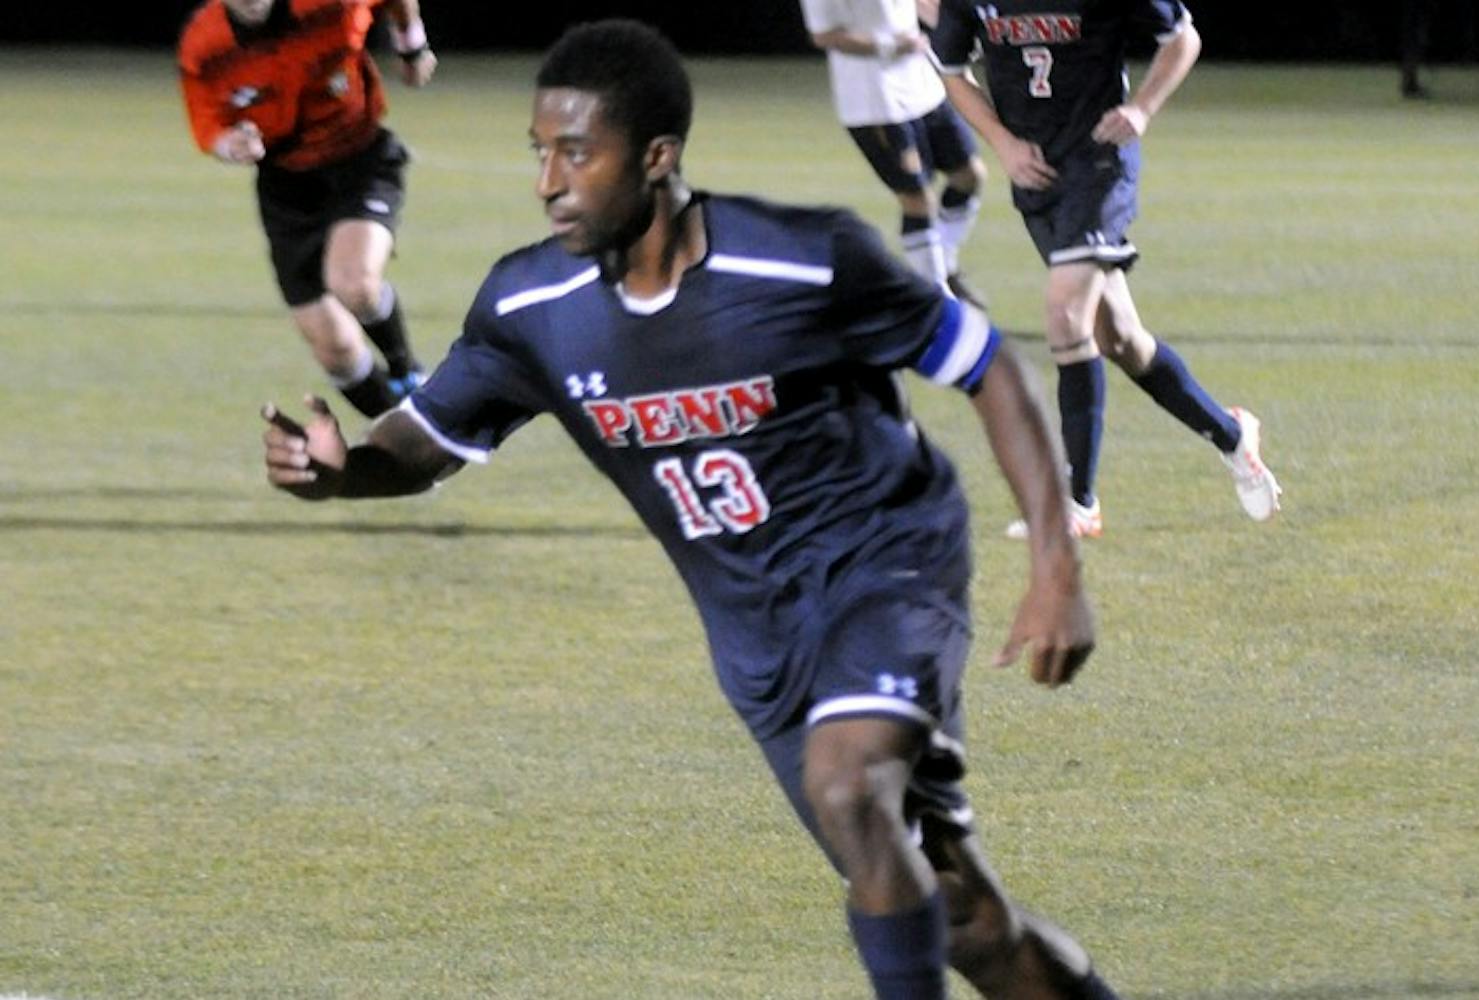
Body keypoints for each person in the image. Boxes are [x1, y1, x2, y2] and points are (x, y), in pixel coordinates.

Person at [262, 19, 1128, 999]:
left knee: (851, 789)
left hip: (885, 565)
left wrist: (1057, 568)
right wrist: (348, 470)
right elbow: (424, 448)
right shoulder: (528, 307)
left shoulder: (800, 260)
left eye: (577, 153)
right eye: (539, 152)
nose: (549, 179)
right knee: (961, 914)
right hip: (753, 634)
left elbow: (988, 367)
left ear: (658, 157)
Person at [928, 0, 1281, 539]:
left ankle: (1079, 503)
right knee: (1120, 339)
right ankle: (1232, 434)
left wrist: (1141, 109)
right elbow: (951, 71)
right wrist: (1003, 145)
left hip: (1099, 164)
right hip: (1035, 173)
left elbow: (1183, 38)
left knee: (1065, 313)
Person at [179, 0, 438, 418]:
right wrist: (234, 144)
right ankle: (407, 444)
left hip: (360, 160)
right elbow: (209, 124)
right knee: (333, 348)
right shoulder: (205, 43)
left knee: (353, 284)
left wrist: (412, 47)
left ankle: (406, 370)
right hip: (286, 186)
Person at [798, 0, 990, 306]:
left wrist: (959, 32)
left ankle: (945, 262)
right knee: (918, 199)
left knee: (969, 175)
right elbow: (823, 35)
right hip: (875, 99)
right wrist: (890, 44)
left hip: (921, 83)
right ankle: (937, 298)